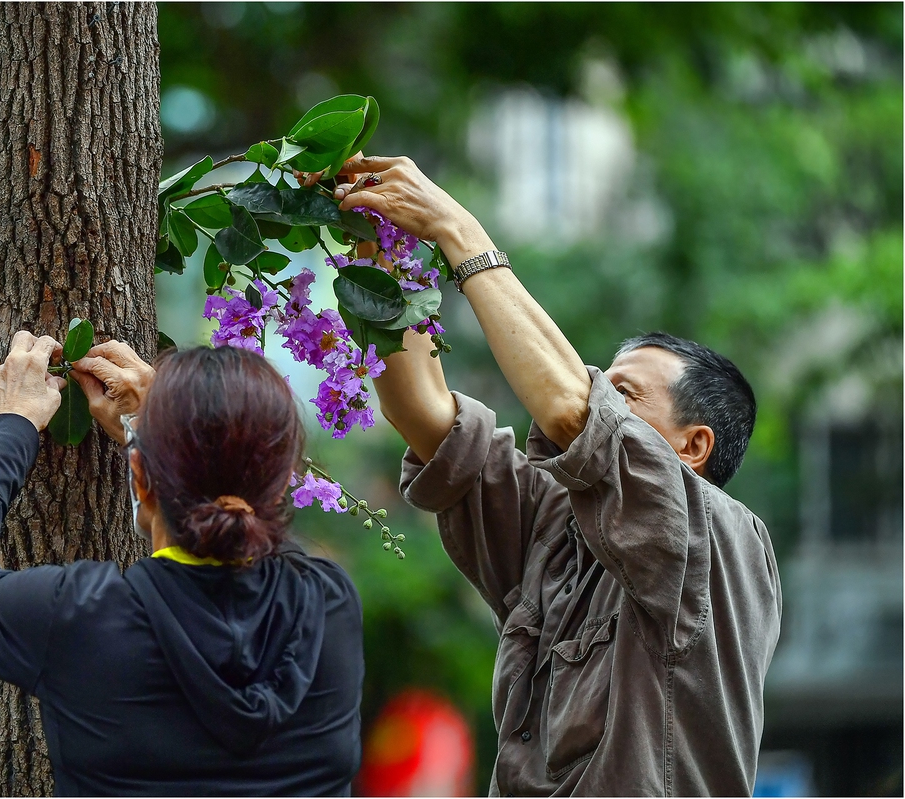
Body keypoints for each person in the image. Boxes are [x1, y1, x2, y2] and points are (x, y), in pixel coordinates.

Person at [320, 154, 782, 795]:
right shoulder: (559, 528)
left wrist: (457, 229)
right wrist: (377, 253)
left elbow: (571, 409)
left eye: (625, 396)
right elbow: (427, 418)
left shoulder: (719, 539)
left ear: (693, 446)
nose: (605, 407)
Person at [0, 337, 364, 796]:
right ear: (280, 480)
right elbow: (258, 526)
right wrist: (153, 441)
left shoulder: (82, 616)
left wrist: (13, 424)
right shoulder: (328, 604)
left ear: (140, 478)